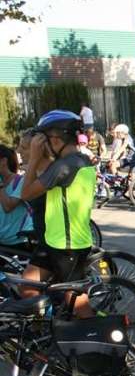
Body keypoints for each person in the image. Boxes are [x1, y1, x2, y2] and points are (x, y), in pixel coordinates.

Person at [20, 110, 95, 318]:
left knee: (78, 304)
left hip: (68, 245)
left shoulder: (65, 167)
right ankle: (48, 330)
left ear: (54, 139)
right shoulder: (78, 160)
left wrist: (34, 158)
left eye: (43, 140)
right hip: (55, 242)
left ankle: (106, 337)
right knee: (27, 286)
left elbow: (26, 193)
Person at [0, 145, 33, 249]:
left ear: (3, 161)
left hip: (17, 243)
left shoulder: (21, 181)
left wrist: (0, 186)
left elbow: (8, 207)